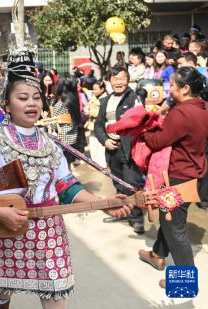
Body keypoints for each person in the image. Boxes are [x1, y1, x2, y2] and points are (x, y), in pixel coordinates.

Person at [0, 47, 134, 309]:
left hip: (48, 231)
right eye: (23, 97)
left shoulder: (50, 142)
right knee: (1, 297)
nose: (31, 104)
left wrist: (102, 201)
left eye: (36, 97)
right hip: (8, 228)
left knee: (56, 295)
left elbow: (66, 187)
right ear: (7, 103)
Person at [138, 67, 208, 287]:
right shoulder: (203, 109)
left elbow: (159, 141)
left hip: (177, 178)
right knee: (169, 220)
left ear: (186, 89)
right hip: (194, 174)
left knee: (174, 228)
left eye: (174, 84)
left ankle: (184, 282)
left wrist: (143, 130)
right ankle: (157, 254)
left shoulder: (181, 112)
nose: (170, 87)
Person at [94, 66, 145, 234]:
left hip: (128, 150)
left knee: (132, 184)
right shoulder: (106, 100)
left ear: (128, 80)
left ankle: (137, 218)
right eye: (115, 79)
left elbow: (138, 122)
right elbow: (98, 124)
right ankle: (122, 212)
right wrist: (105, 140)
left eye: (122, 78)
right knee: (118, 183)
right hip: (112, 149)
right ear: (110, 81)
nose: (118, 82)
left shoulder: (133, 98)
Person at [52, 75, 81, 166]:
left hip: (62, 141)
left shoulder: (60, 105)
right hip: (72, 139)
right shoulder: (73, 101)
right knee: (68, 167)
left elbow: (54, 124)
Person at [84, 81, 108, 168]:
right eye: (93, 89)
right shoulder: (94, 97)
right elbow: (88, 105)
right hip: (92, 124)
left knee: (101, 144)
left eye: (96, 89)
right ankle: (95, 162)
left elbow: (102, 112)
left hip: (101, 125)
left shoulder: (106, 98)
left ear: (102, 89)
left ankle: (102, 164)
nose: (94, 91)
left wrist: (90, 111)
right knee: (93, 143)